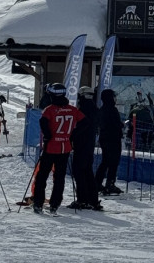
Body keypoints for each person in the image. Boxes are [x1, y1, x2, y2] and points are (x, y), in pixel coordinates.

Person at [33, 84, 79, 213]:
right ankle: (55, 204)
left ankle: (38, 203)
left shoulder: (49, 109)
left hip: (50, 147)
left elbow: (43, 122)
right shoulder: (72, 109)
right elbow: (84, 122)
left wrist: (48, 136)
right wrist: (72, 135)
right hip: (65, 148)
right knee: (59, 177)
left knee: (42, 176)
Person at [69, 85, 102, 211]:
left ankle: (82, 200)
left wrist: (72, 136)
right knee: (88, 172)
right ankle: (92, 199)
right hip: (89, 145)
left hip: (81, 144)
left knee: (79, 173)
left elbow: (83, 125)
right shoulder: (94, 108)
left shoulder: (83, 109)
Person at [95, 89, 123, 196]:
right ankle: (110, 183)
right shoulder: (112, 109)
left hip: (104, 138)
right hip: (113, 139)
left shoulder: (102, 109)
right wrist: (122, 125)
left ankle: (97, 182)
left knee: (105, 161)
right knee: (113, 162)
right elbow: (115, 124)